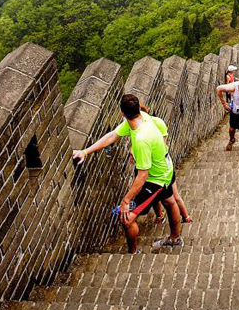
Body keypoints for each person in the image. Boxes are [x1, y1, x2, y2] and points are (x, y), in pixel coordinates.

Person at [72, 94, 183, 253]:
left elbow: (143, 175)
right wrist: (85, 151)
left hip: (156, 178)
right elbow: (113, 135)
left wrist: (126, 201)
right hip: (166, 165)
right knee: (170, 201)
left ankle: (133, 253)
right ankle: (175, 238)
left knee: (127, 219)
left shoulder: (141, 139)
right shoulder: (143, 117)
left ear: (122, 113)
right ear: (138, 108)